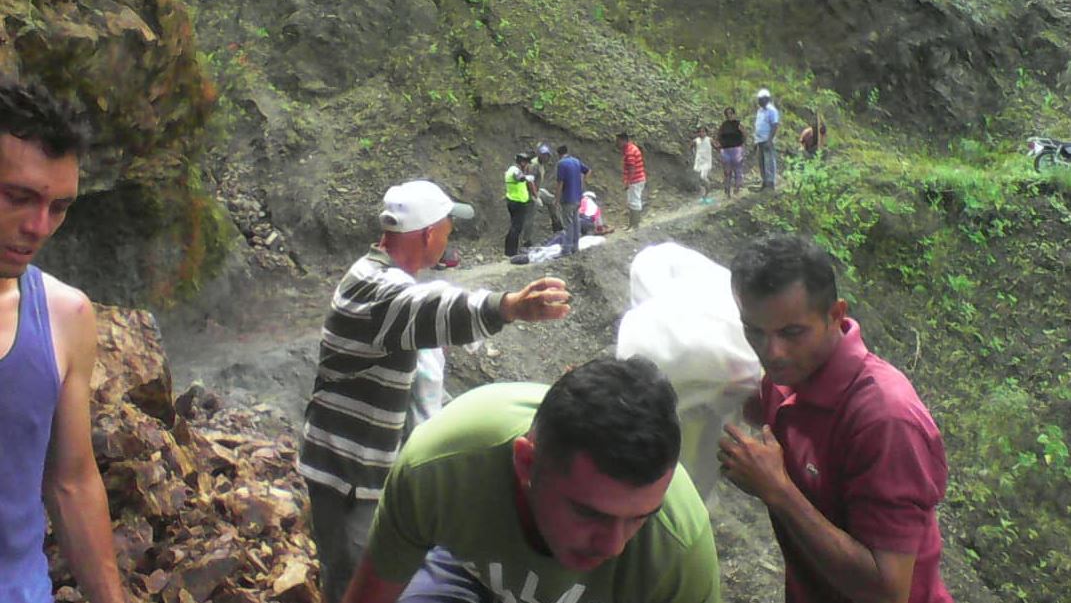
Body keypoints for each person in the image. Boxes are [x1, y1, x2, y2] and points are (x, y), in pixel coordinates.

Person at [299, 179, 572, 603]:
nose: (449, 236)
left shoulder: (376, 277)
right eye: (447, 227)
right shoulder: (378, 290)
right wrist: (508, 306)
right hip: (350, 477)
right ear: (428, 234)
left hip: (359, 469)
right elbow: (430, 309)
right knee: (357, 585)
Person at [340, 356, 721, 603]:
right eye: (590, 513)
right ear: (526, 463)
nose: (613, 545)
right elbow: (371, 595)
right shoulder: (443, 466)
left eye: (640, 517)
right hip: (468, 577)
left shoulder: (678, 548)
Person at [719, 235, 952, 603]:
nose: (771, 353)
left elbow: (888, 592)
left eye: (791, 333)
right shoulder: (787, 379)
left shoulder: (885, 421)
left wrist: (777, 491)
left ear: (835, 315)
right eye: (754, 332)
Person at [0, 79, 125, 603]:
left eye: (60, 207)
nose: (39, 226)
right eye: (17, 197)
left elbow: (71, 482)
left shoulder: (64, 316)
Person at [555, 144, 590, 256]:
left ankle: (566, 249)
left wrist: (557, 199)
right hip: (578, 198)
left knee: (568, 224)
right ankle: (575, 247)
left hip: (568, 199)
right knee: (576, 222)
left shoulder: (561, 164)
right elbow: (588, 171)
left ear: (559, 155)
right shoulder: (576, 161)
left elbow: (560, 183)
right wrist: (582, 183)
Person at [527, 143, 562, 241]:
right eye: (543, 155)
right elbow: (530, 181)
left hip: (538, 190)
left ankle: (557, 227)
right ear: (539, 155)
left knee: (552, 200)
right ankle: (527, 241)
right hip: (530, 192)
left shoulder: (541, 164)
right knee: (530, 217)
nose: (545, 157)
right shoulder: (534, 165)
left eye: (547, 155)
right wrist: (535, 196)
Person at [503, 153, 535, 257]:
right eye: (526, 163)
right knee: (516, 228)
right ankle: (512, 252)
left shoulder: (512, 169)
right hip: (518, 203)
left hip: (513, 201)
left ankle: (509, 251)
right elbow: (519, 178)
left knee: (514, 227)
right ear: (522, 162)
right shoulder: (514, 170)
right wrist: (527, 178)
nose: (526, 166)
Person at [616, 132, 646, 230]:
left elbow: (632, 168)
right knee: (631, 201)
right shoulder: (629, 149)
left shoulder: (630, 151)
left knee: (635, 201)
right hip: (636, 179)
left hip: (636, 180)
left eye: (618, 141)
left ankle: (635, 226)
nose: (617, 143)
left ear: (624, 140)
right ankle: (631, 225)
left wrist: (628, 182)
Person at [753, 89, 780, 190]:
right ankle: (764, 182)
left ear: (767, 99)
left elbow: (774, 125)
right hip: (760, 140)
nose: (759, 101)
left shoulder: (772, 110)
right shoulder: (759, 111)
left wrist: (769, 140)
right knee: (762, 163)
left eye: (761, 99)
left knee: (769, 162)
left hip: (767, 140)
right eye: (759, 99)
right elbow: (759, 125)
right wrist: (756, 141)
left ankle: (770, 183)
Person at [716, 107, 745, 198]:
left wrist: (741, 144)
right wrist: (719, 145)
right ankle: (727, 190)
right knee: (727, 171)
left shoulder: (738, 124)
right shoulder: (723, 125)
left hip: (736, 148)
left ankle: (737, 188)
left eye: (730, 113)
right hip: (725, 149)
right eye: (727, 114)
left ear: (733, 114)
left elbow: (744, 134)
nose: (729, 115)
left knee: (737, 169)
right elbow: (719, 135)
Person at [691, 125, 714, 203]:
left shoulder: (710, 140)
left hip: (707, 161)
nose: (702, 133)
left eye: (703, 131)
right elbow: (691, 147)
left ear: (706, 132)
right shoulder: (696, 140)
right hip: (699, 161)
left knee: (703, 177)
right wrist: (694, 153)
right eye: (700, 131)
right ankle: (704, 196)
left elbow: (717, 147)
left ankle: (708, 189)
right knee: (699, 180)